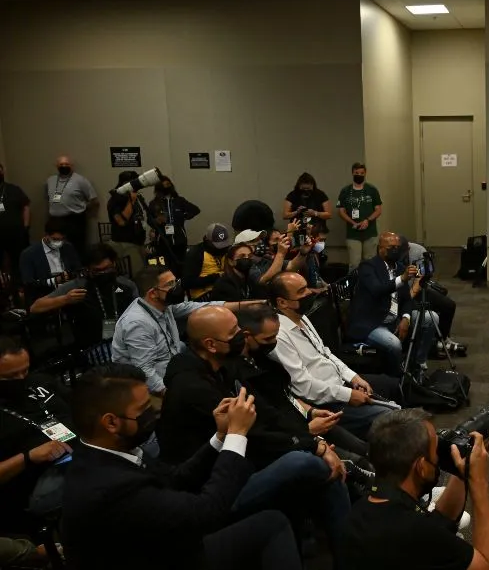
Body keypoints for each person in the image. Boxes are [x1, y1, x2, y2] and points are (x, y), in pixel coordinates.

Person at [60, 363, 303, 570]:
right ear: (111, 422)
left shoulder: (107, 450)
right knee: (273, 520)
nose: (155, 412)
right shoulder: (110, 486)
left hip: (164, 546)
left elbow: (174, 478)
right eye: (145, 410)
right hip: (167, 558)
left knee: (270, 516)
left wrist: (221, 436)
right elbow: (206, 512)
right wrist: (238, 434)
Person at [157, 307, 351, 555]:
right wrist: (314, 446)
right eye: (234, 332)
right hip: (212, 485)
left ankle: (345, 550)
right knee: (305, 462)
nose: (242, 335)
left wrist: (311, 437)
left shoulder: (222, 367)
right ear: (211, 344)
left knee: (325, 470)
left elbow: (264, 410)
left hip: (243, 460)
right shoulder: (192, 387)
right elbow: (254, 435)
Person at [340, 408, 489, 570]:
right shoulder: (415, 533)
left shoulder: (357, 514)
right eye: (435, 452)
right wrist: (479, 482)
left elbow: (441, 523)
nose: (438, 458)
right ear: (421, 467)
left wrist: (465, 467)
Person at [270, 272, 398, 441]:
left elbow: (325, 352)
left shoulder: (303, 318)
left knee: (391, 385)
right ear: (282, 302)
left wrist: (353, 377)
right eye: (301, 291)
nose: (309, 293)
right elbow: (303, 386)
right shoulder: (279, 336)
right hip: (326, 400)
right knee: (389, 417)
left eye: (307, 287)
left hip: (340, 382)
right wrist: (348, 395)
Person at [236, 303, 370, 457]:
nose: (274, 342)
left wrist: (310, 411)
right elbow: (268, 422)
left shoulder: (263, 359)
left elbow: (287, 396)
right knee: (357, 461)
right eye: (268, 338)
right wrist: (306, 431)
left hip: (304, 418)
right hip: (289, 439)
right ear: (246, 336)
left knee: (363, 450)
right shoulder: (240, 375)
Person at [110, 265, 260, 399]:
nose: (176, 287)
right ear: (152, 293)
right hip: (151, 388)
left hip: (176, 371)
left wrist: (246, 305)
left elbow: (201, 307)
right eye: (170, 284)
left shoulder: (164, 306)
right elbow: (145, 371)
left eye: (175, 281)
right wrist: (174, 395)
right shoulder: (137, 324)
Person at [0, 337, 75, 535]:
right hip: (35, 479)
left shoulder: (39, 381)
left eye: (25, 371)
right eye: (9, 377)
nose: (21, 380)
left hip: (79, 450)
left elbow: (79, 403)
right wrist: (28, 456)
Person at [349, 233, 438, 376]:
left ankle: (418, 363)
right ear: (381, 249)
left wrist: (406, 318)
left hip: (394, 316)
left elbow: (407, 299)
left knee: (431, 318)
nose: (395, 250)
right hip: (372, 322)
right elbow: (377, 290)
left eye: (397, 247)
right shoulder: (368, 266)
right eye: (391, 247)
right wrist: (402, 279)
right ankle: (399, 375)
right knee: (394, 344)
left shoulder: (399, 267)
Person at [29, 244, 138, 348]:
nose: (104, 273)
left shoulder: (127, 285)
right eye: (98, 271)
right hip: (93, 346)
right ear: (88, 269)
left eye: (107, 268)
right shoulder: (77, 286)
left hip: (125, 340)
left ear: (114, 263)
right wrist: (65, 299)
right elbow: (35, 307)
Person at [400, 237, 467, 358]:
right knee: (421, 315)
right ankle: (428, 347)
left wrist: (411, 295)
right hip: (398, 295)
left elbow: (420, 278)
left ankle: (442, 339)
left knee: (448, 305)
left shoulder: (418, 251)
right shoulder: (390, 256)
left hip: (416, 290)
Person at [18, 219, 82, 306]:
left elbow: (78, 270)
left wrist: (70, 276)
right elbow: (29, 283)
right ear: (46, 235)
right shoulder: (29, 254)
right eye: (55, 239)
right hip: (43, 296)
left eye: (62, 239)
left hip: (68, 292)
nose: (58, 243)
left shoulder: (68, 247)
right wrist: (54, 281)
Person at [44, 156, 98, 254]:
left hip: (74, 220)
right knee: (56, 249)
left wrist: (86, 212)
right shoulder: (50, 180)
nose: (64, 166)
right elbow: (48, 198)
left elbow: (94, 200)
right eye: (61, 164)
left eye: (66, 164)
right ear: (56, 166)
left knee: (76, 248)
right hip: (55, 220)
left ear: (72, 166)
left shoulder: (80, 180)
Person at [146, 175, 200, 273]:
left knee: (181, 265)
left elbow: (195, 210)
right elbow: (149, 220)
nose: (167, 187)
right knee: (165, 268)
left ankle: (180, 284)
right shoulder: (154, 203)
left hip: (179, 239)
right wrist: (156, 221)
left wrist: (184, 216)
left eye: (168, 184)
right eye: (164, 185)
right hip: (163, 240)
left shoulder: (179, 201)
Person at [336, 163, 382, 270]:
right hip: (353, 233)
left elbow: (378, 210)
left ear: (365, 173)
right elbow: (341, 211)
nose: (359, 175)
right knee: (354, 263)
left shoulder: (371, 190)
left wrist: (367, 220)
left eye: (361, 173)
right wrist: (352, 222)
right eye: (356, 173)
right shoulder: (345, 191)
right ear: (352, 173)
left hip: (370, 232)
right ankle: (354, 285)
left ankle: (371, 284)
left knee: (370, 262)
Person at [106, 170, 149, 278]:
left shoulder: (136, 197)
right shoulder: (115, 199)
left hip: (138, 242)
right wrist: (131, 202)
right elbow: (121, 222)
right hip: (125, 243)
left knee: (143, 272)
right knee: (136, 273)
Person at [182, 223, 233, 300]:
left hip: (224, 289)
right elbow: (187, 282)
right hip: (203, 294)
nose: (221, 248)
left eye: (224, 244)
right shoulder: (196, 253)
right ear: (207, 240)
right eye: (218, 245)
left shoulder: (227, 250)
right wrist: (215, 278)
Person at [0, 163, 31, 283]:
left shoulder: (14, 189)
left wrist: (26, 226)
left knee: (19, 260)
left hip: (16, 233)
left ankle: (22, 284)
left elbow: (26, 207)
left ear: (3, 171)